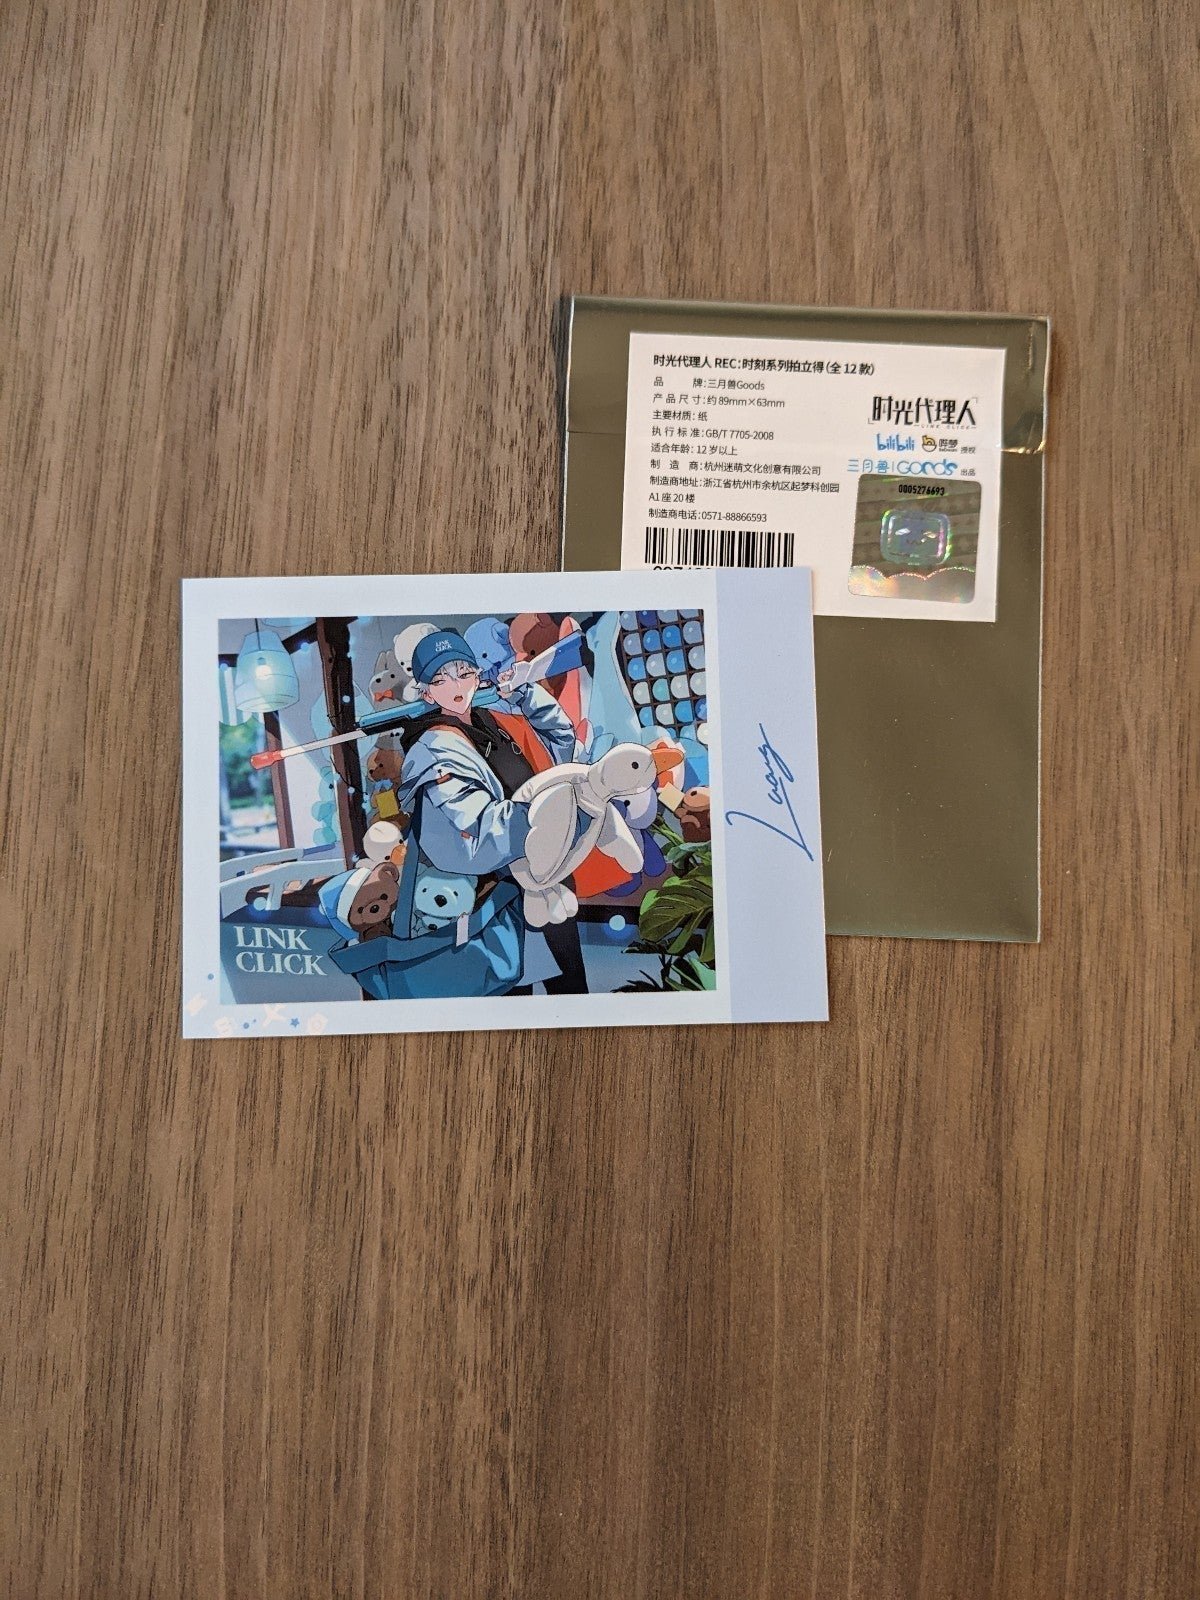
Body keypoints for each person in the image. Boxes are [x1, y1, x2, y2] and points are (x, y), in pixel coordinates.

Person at [397, 628, 589, 993]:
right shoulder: (434, 749)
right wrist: (544, 820)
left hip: (545, 868)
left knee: (571, 986)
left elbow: (562, 745)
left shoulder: (494, 719)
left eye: (463, 672)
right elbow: (475, 825)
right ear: (426, 693)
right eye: (440, 679)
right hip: (496, 891)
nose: (456, 685)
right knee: (510, 993)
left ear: (477, 675)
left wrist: (527, 694)